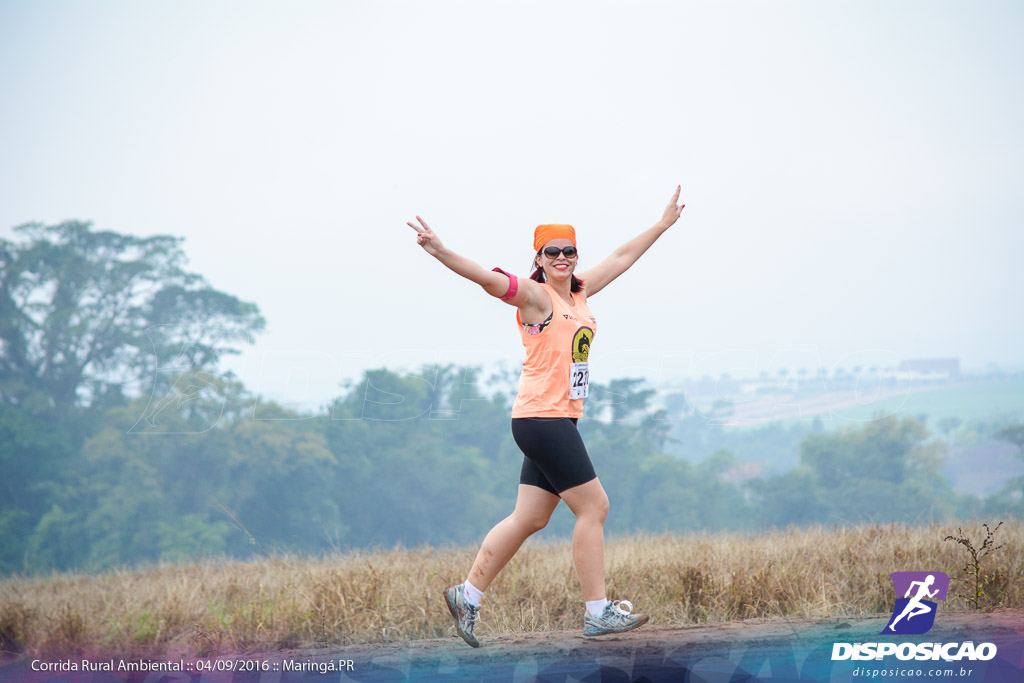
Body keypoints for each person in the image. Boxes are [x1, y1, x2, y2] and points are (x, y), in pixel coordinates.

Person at [406, 187, 685, 647]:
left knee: (531, 517)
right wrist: (439, 251)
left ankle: (467, 594)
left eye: (568, 250)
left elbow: (620, 257)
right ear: (538, 257)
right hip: (542, 419)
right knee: (594, 507)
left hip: (555, 419)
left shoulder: (580, 291)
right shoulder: (535, 297)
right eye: (551, 251)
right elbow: (485, 278)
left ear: (576, 256)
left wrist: (661, 225)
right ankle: (597, 613)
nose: (562, 257)